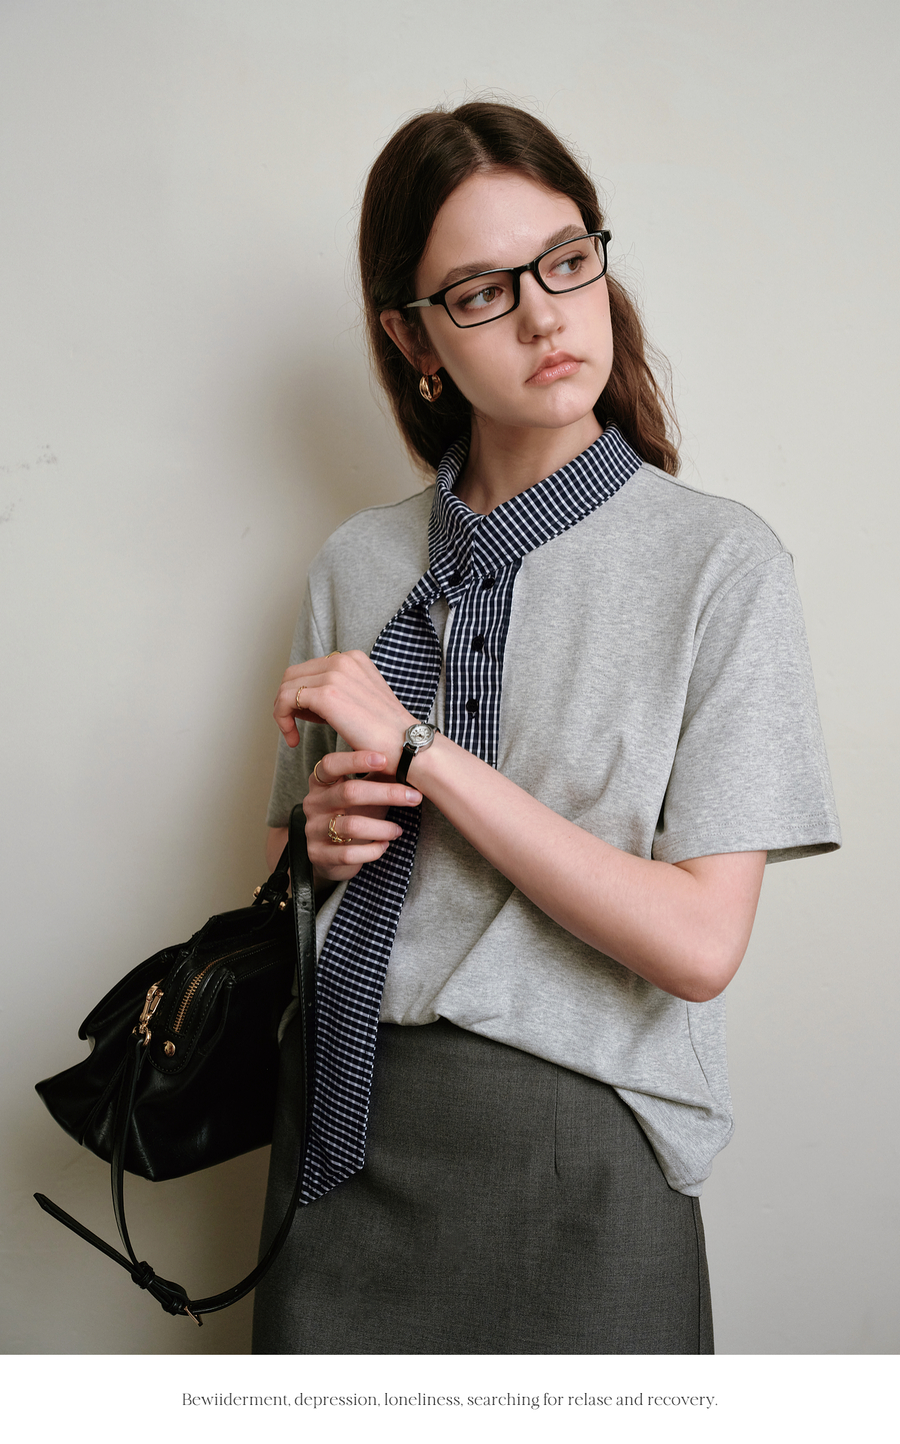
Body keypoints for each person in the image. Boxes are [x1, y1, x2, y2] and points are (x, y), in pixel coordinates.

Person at [251, 102, 840, 1355]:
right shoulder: (354, 564)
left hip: (579, 1148)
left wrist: (424, 757)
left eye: (566, 260)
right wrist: (316, 845)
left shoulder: (719, 564)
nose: (543, 316)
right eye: (481, 291)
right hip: (341, 1131)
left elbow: (699, 945)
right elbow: (285, 915)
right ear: (413, 336)